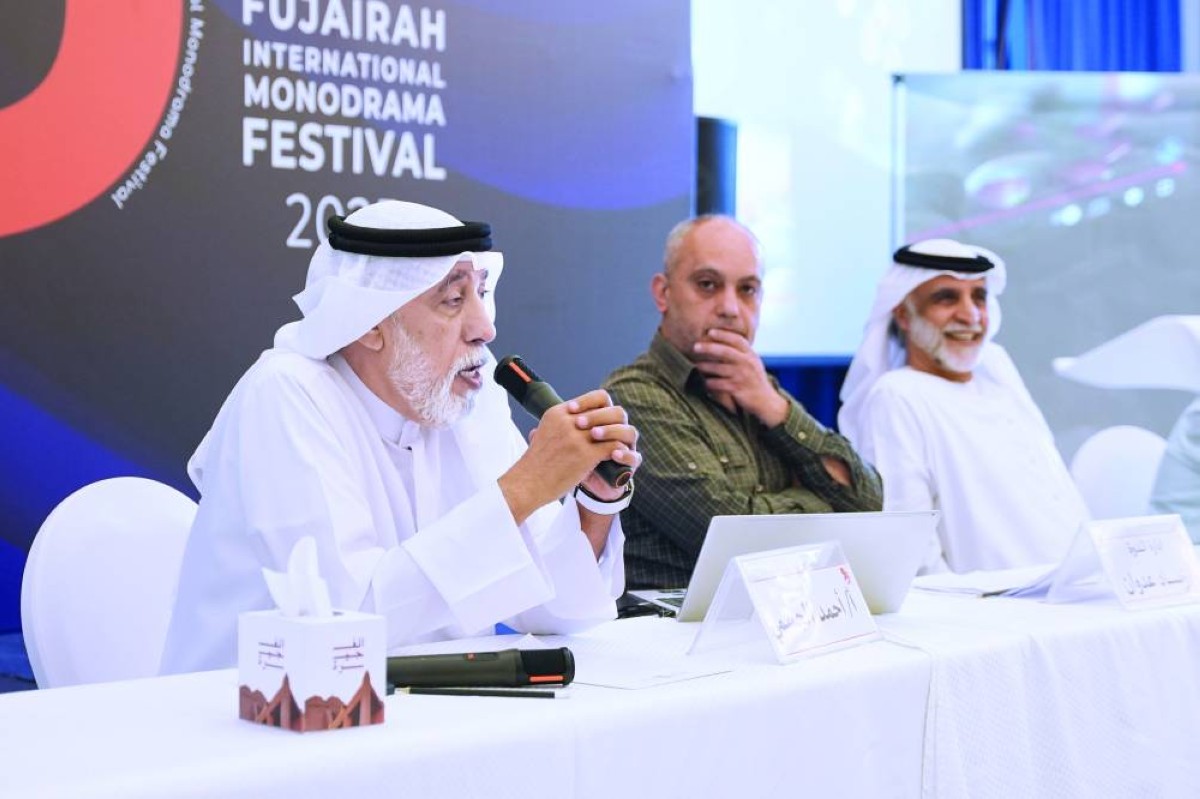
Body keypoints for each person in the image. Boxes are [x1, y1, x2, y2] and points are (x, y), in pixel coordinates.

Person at [161, 200, 641, 674]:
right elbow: (345, 625)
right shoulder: (285, 394)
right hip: (252, 708)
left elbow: (553, 608)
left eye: (481, 292)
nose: (485, 328)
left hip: (419, 707)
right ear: (370, 324)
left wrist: (594, 504)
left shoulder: (465, 397)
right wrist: (526, 486)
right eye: (453, 300)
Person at [603, 215, 882, 589]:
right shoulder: (635, 397)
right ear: (663, 293)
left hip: (780, 613)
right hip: (673, 622)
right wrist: (821, 504)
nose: (731, 308)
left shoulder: (757, 388)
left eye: (747, 289)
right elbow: (730, 538)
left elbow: (868, 505)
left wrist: (776, 409)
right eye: (708, 285)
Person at [839, 238, 1088, 573]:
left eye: (979, 297)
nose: (970, 315)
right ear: (904, 315)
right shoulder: (897, 396)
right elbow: (911, 544)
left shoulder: (998, 378)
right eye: (946, 298)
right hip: (996, 601)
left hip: (1072, 587)